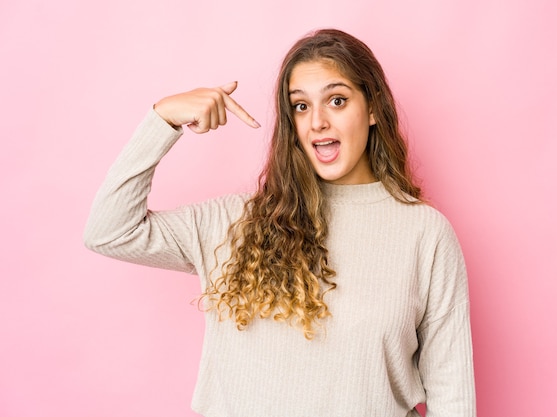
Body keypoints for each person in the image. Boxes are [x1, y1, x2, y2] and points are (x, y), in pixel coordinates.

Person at [84, 28, 476, 417]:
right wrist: (162, 119)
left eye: (336, 100)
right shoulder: (232, 222)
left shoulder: (424, 234)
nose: (317, 122)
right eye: (301, 106)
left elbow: (452, 394)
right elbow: (110, 231)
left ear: (372, 108)